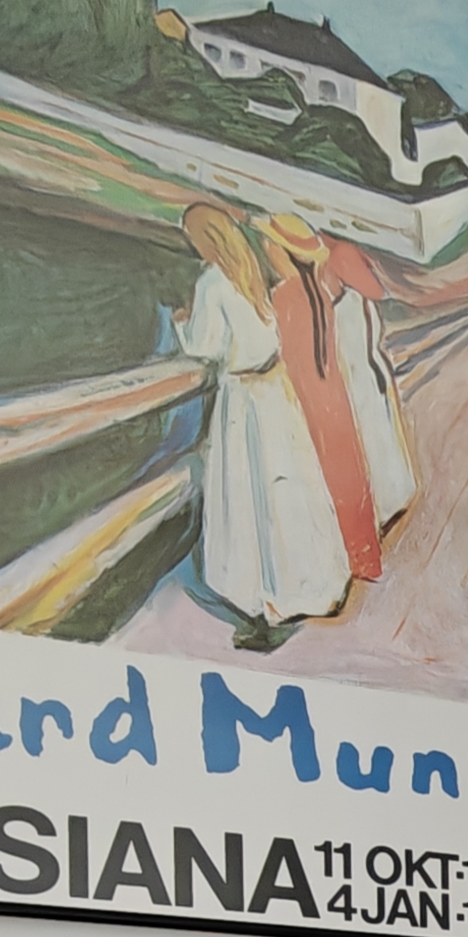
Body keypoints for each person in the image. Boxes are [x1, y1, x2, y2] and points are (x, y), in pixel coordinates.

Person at [177, 203, 349, 647]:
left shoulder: (212, 282)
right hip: (274, 391)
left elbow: (206, 346)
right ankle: (303, 590)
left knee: (251, 501)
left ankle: (263, 607)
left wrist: (181, 326)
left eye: (193, 237)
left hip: (244, 399)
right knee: (285, 495)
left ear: (206, 241)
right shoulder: (251, 274)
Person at [260, 215, 382, 585]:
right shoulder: (316, 290)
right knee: (349, 475)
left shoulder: (282, 296)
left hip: (306, 399)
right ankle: (365, 557)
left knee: (319, 480)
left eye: (271, 244)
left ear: (283, 253)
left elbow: (280, 354)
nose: (266, 250)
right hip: (332, 392)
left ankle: (336, 565)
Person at [323, 239, 419, 537]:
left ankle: (386, 502)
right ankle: (389, 501)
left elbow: (375, 291)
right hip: (356, 366)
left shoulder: (334, 253)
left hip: (358, 366)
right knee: (374, 432)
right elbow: (378, 291)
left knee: (374, 432)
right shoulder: (340, 253)